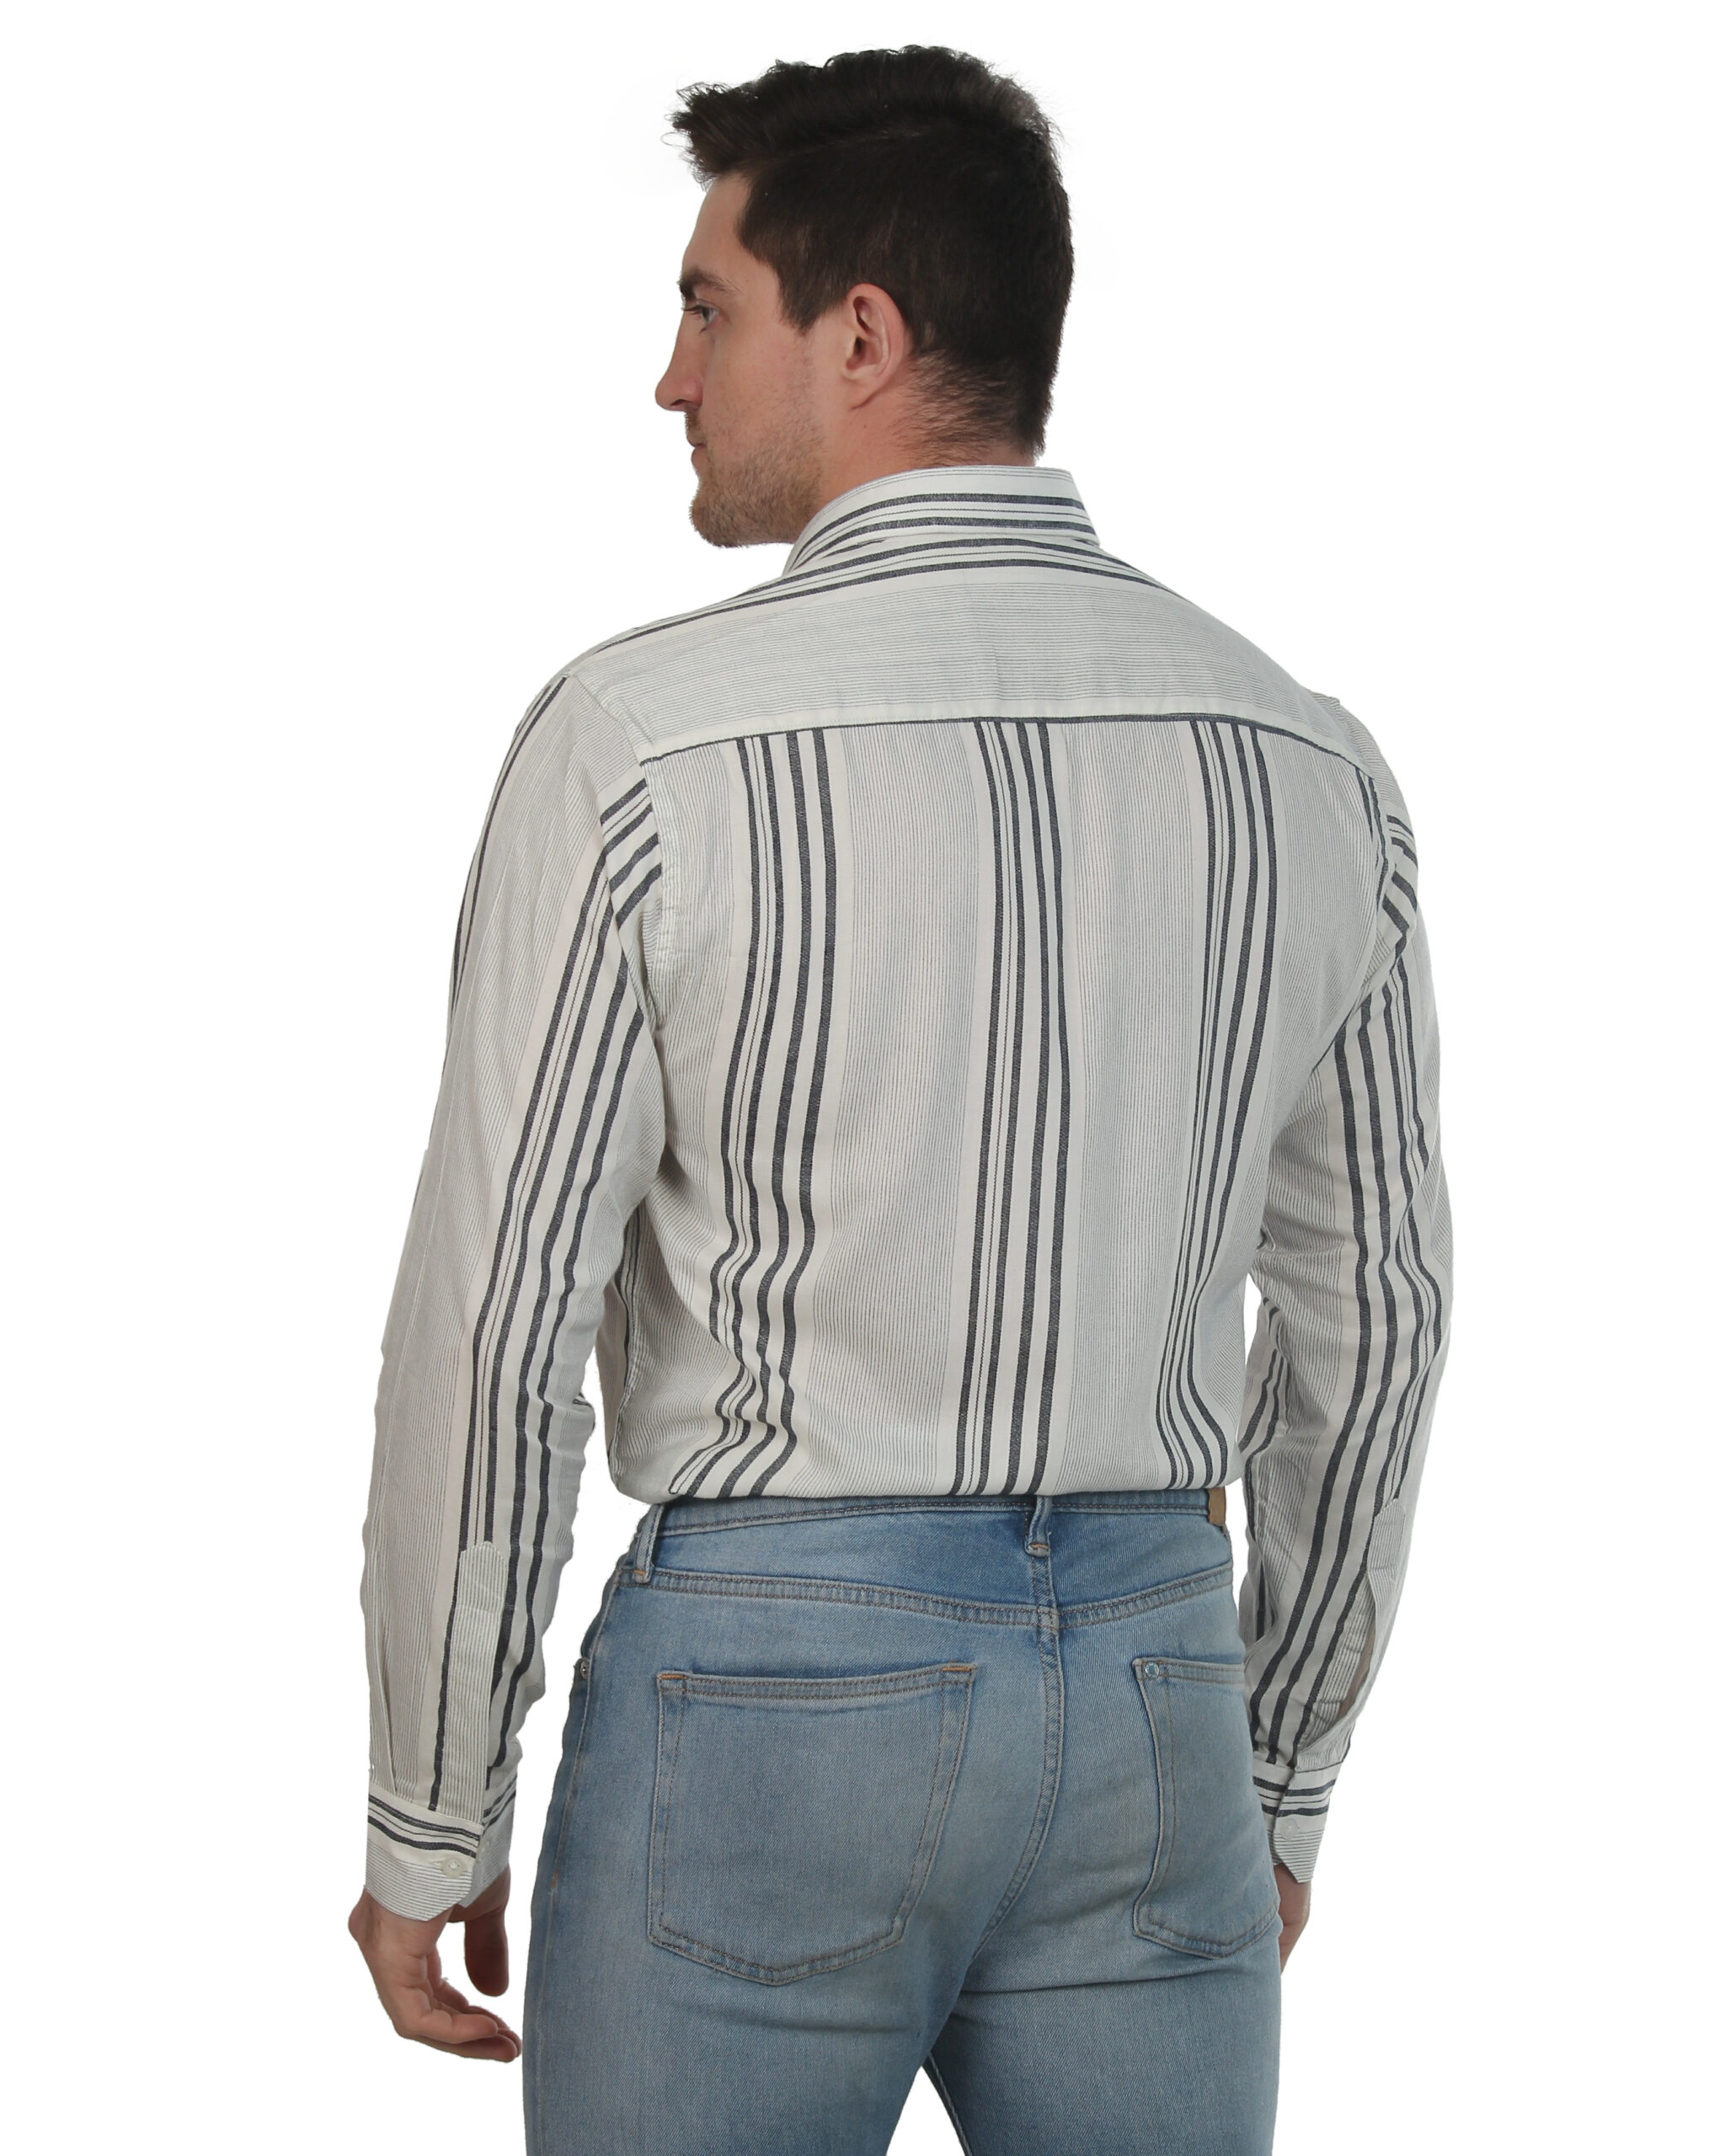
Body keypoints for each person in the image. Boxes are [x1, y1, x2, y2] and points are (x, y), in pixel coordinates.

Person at [348, 45, 1451, 2156]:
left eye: (706, 307)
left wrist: (431, 1804)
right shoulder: (1305, 760)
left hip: (770, 1694)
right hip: (1157, 1688)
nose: (669, 378)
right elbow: (1377, 1314)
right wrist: (1276, 1767)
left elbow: (493, 1326)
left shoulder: (642, 742)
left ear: (859, 334)